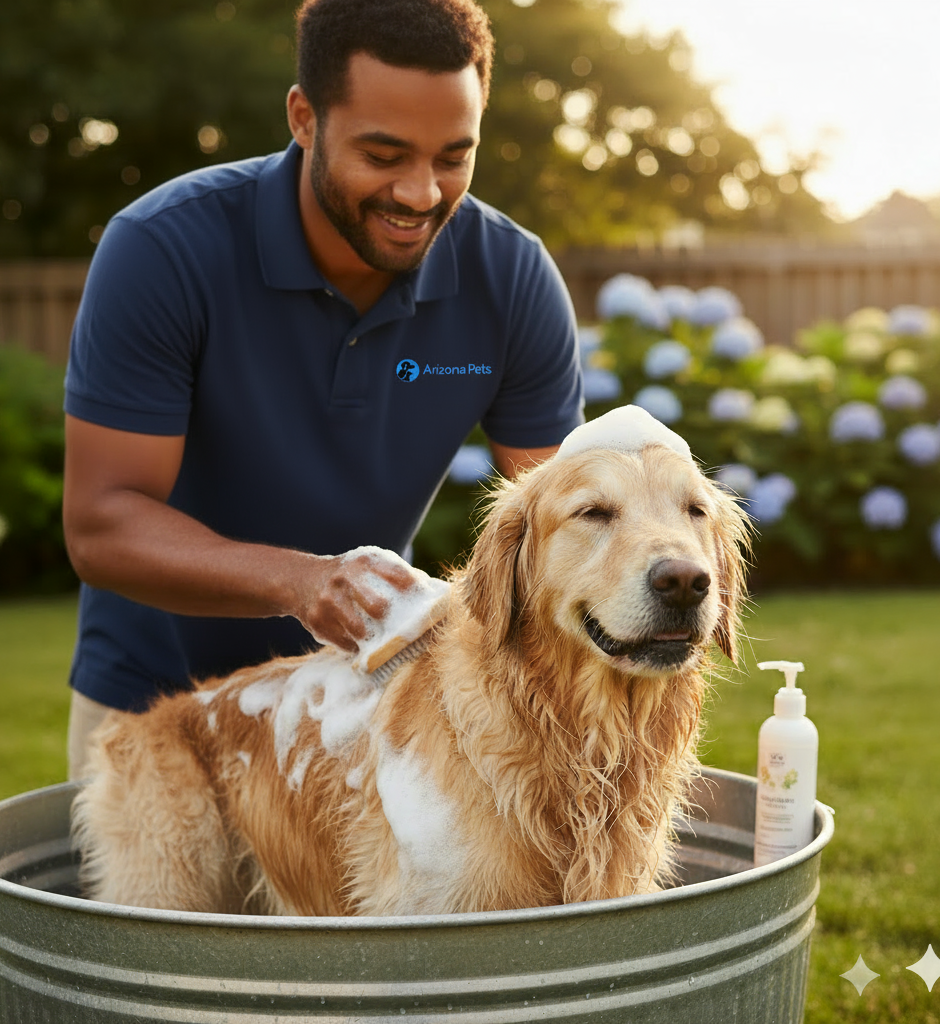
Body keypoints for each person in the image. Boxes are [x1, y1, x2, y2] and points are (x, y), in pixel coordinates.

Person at [62, 0, 584, 779]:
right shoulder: (163, 249)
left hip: (365, 700)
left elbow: (555, 525)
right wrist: (303, 583)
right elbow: (102, 527)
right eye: (383, 155)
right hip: (156, 706)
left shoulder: (511, 277)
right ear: (304, 118)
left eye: (453, 156)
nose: (420, 193)